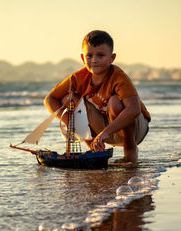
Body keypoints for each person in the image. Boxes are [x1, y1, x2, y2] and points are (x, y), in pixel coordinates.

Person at [44, 30, 151, 163]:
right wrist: (68, 121)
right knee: (69, 98)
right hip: (103, 131)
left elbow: (134, 109)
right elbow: (50, 99)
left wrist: (105, 133)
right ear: (83, 58)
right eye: (89, 56)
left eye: (100, 55)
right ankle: (95, 149)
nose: (94, 60)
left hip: (134, 130)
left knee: (115, 102)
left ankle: (130, 150)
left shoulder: (118, 77)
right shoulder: (79, 77)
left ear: (112, 58)